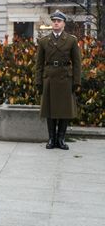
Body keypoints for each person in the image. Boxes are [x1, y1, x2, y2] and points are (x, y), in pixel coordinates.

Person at [35, 10, 82, 150]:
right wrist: (38, 81)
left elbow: (77, 63)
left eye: (59, 21)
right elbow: (39, 64)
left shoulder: (71, 40)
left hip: (65, 78)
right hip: (49, 77)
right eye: (54, 21)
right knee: (49, 111)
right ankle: (51, 139)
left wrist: (76, 81)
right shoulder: (44, 41)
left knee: (64, 111)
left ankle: (61, 139)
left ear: (63, 24)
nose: (56, 23)